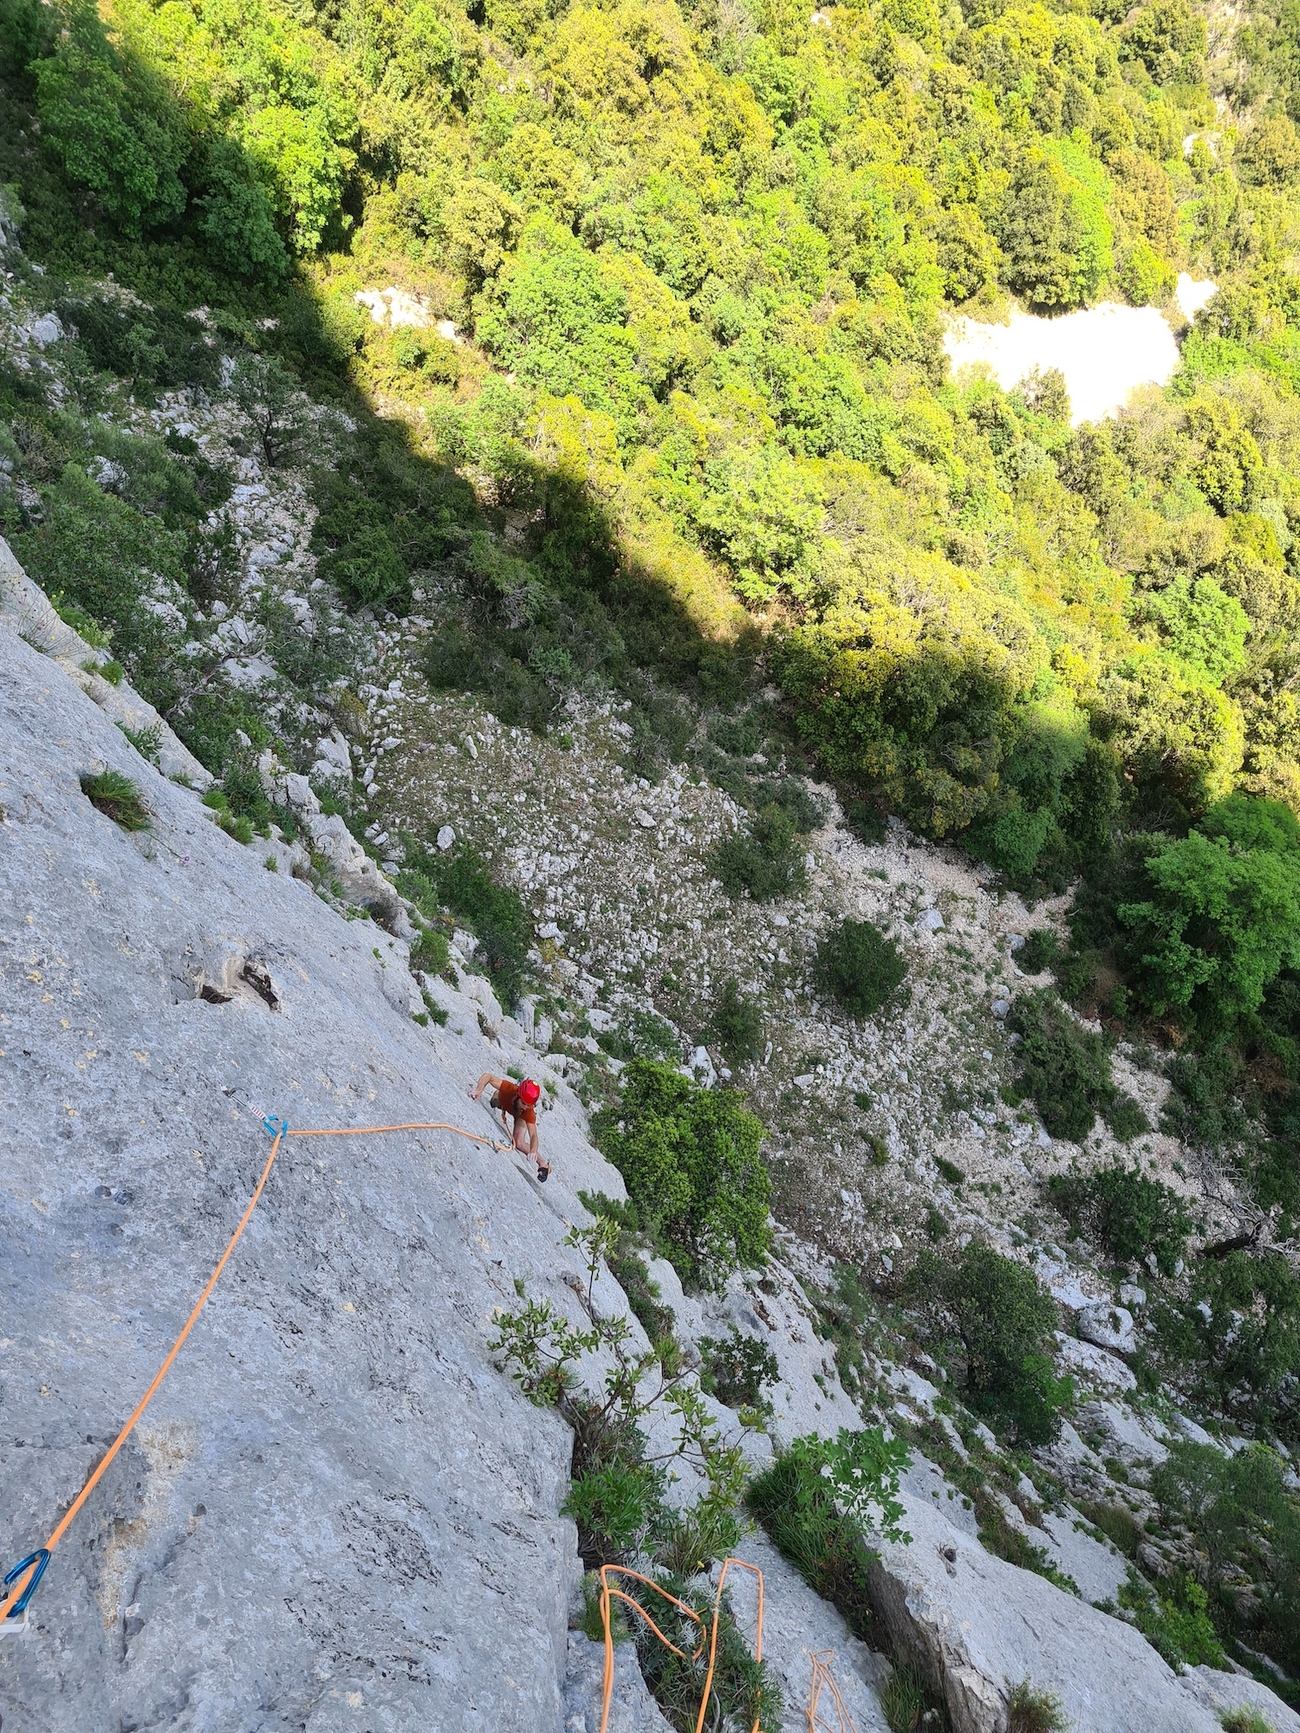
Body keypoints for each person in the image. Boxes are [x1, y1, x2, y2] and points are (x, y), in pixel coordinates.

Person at [470, 1072, 549, 1180]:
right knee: (494, 1101)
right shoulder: (510, 1089)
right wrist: (479, 1090)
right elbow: (488, 1076)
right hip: (502, 1101)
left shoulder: (528, 1112)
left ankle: (543, 1163)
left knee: (519, 1143)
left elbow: (534, 1135)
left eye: (528, 1105)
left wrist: (533, 1150)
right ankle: (497, 1099)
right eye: (523, 1103)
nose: (525, 1107)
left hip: (520, 1117)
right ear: (518, 1095)